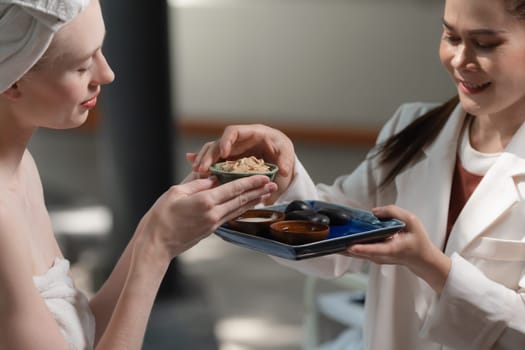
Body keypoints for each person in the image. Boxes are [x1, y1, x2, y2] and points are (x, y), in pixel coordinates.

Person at [189, 0, 525, 349]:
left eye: (485, 43)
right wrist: (279, 179)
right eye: (451, 36)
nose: (459, 60)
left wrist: (431, 266)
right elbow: (334, 240)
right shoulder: (410, 129)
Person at [0, 0, 277, 349]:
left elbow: (83, 332)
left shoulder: (21, 167)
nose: (106, 74)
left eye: (101, 51)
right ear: (13, 83)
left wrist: (154, 228)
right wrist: (156, 249)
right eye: (83, 66)